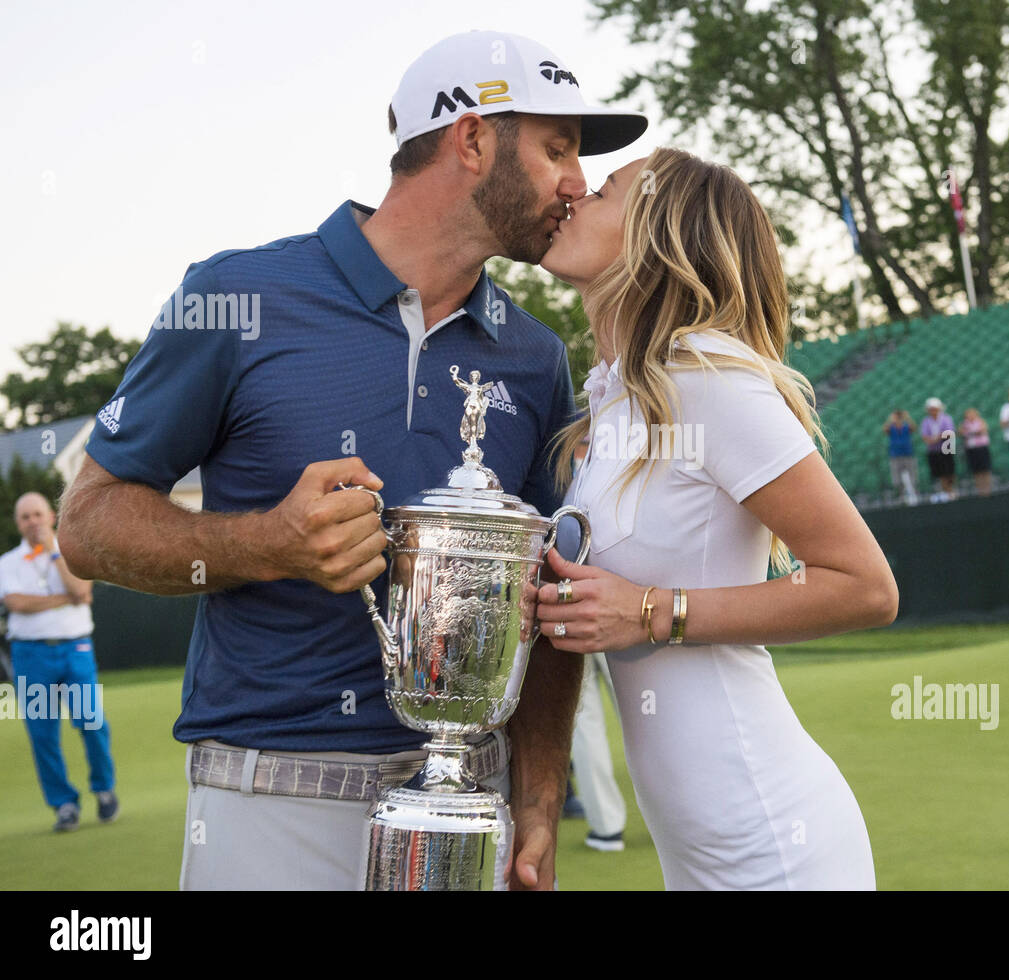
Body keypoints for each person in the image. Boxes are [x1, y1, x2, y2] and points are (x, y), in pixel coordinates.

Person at [57, 31, 648, 890]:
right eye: (556, 148)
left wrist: (539, 792)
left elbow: (550, 589)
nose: (577, 182)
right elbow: (87, 523)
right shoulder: (236, 297)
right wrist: (268, 543)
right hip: (268, 805)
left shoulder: (534, 355)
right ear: (472, 138)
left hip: (462, 809)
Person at [535, 147, 898, 889]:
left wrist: (652, 611)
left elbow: (866, 585)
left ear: (654, 234)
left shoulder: (705, 379)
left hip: (773, 844)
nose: (573, 196)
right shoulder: (613, 401)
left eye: (602, 192)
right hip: (698, 854)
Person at [0, 492, 117, 832]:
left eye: (37, 514)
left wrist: (54, 553)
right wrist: (64, 599)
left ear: (50, 516)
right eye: (25, 517)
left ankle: (104, 789)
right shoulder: (8, 563)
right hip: (31, 655)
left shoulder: (72, 552)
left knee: (92, 722)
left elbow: (80, 591)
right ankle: (64, 804)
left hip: (75, 651)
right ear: (18, 523)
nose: (32, 521)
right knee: (43, 734)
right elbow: (17, 603)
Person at [570, 652, 627, 851]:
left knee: (585, 722)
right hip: (625, 627)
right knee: (642, 711)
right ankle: (671, 814)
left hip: (566, 625)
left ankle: (606, 828)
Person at [920, 397, 958, 501]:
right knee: (939, 473)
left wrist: (937, 437)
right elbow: (924, 436)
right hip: (934, 451)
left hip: (946, 449)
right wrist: (932, 439)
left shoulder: (946, 419)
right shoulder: (926, 421)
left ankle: (951, 491)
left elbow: (949, 432)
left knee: (949, 472)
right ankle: (944, 492)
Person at [881, 409, 919, 505]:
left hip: (908, 453)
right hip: (895, 455)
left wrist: (907, 418)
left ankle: (914, 495)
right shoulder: (892, 427)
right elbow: (884, 429)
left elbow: (914, 428)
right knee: (897, 479)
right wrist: (891, 419)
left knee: (912, 476)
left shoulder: (906, 427)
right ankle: (901, 496)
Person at [959, 408, 993, 496]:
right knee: (976, 471)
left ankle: (988, 490)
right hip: (971, 449)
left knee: (985, 470)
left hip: (982, 448)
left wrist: (970, 433)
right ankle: (980, 491)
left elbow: (982, 430)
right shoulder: (964, 424)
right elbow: (961, 432)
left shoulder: (980, 421)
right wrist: (974, 432)